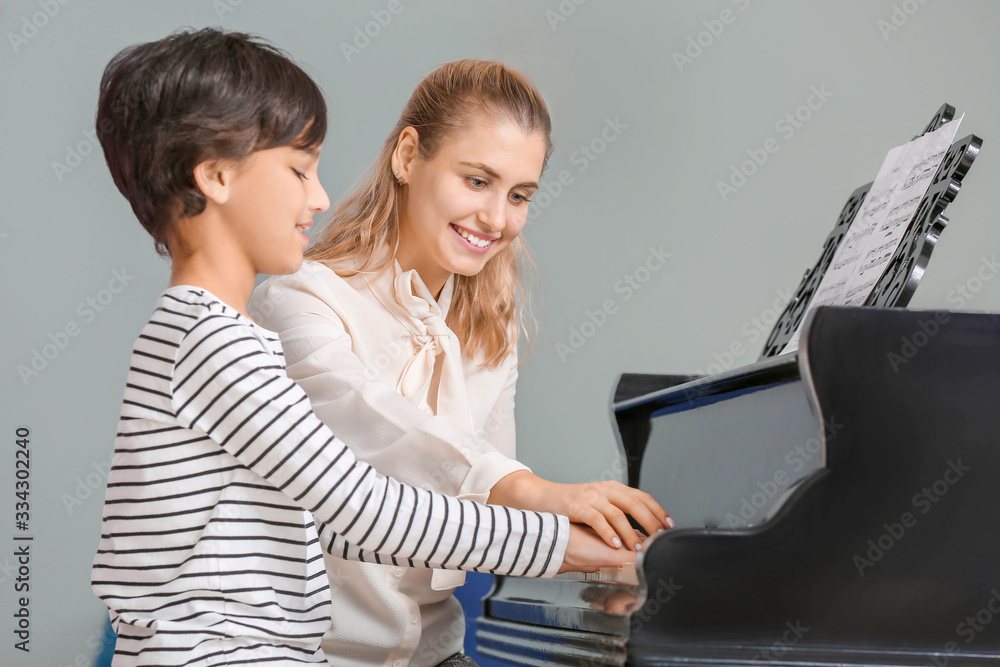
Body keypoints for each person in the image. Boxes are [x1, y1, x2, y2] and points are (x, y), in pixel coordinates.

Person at [90, 29, 635, 667]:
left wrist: (595, 566)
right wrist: (558, 534)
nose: (320, 197)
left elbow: (416, 520)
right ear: (214, 176)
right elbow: (363, 507)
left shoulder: (221, 336)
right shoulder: (226, 337)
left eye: (518, 196)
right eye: (299, 170)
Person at [249, 59, 673, 666]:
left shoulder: (489, 331)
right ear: (407, 156)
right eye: (477, 181)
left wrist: (613, 566)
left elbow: (489, 521)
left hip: (435, 655)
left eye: (519, 195)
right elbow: (372, 427)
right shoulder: (296, 301)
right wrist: (537, 494)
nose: (498, 219)